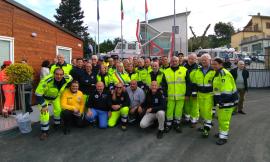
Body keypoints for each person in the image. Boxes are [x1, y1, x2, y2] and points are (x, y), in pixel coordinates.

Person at [35, 68, 72, 140]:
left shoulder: (67, 78)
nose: (59, 76)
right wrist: (43, 105)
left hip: (56, 97)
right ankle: (44, 132)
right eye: (57, 74)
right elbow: (38, 94)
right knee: (45, 113)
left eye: (61, 75)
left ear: (63, 75)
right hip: (44, 98)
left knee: (58, 110)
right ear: (53, 74)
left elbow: (71, 79)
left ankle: (56, 124)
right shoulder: (46, 81)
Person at [212, 58, 238, 145]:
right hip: (222, 101)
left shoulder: (223, 74)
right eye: (213, 64)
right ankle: (221, 133)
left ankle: (223, 137)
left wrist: (221, 101)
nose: (213, 66)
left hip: (226, 101)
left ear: (221, 64)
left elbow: (226, 90)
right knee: (221, 119)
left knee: (224, 120)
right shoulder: (218, 73)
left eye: (215, 64)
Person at [161, 56, 191, 133]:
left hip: (181, 96)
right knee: (169, 111)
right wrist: (166, 95)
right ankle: (168, 124)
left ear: (179, 62)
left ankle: (177, 124)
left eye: (176, 61)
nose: (174, 62)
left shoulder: (184, 70)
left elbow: (188, 83)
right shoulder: (166, 71)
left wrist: (187, 94)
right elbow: (163, 85)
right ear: (170, 62)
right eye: (173, 61)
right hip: (170, 96)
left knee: (179, 111)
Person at [193, 54, 216, 137]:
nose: (203, 61)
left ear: (210, 60)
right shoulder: (198, 71)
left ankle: (206, 129)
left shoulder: (213, 71)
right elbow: (195, 83)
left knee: (207, 112)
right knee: (202, 112)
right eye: (202, 60)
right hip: (200, 94)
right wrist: (194, 93)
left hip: (209, 95)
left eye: (205, 60)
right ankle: (205, 125)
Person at [183, 53, 199, 127]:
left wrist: (195, 92)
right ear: (188, 59)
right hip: (185, 89)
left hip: (194, 89)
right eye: (190, 58)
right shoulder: (183, 67)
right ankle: (187, 118)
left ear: (196, 59)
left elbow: (198, 82)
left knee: (194, 106)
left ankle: (193, 120)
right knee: (186, 105)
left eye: (193, 59)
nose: (192, 60)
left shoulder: (198, 68)